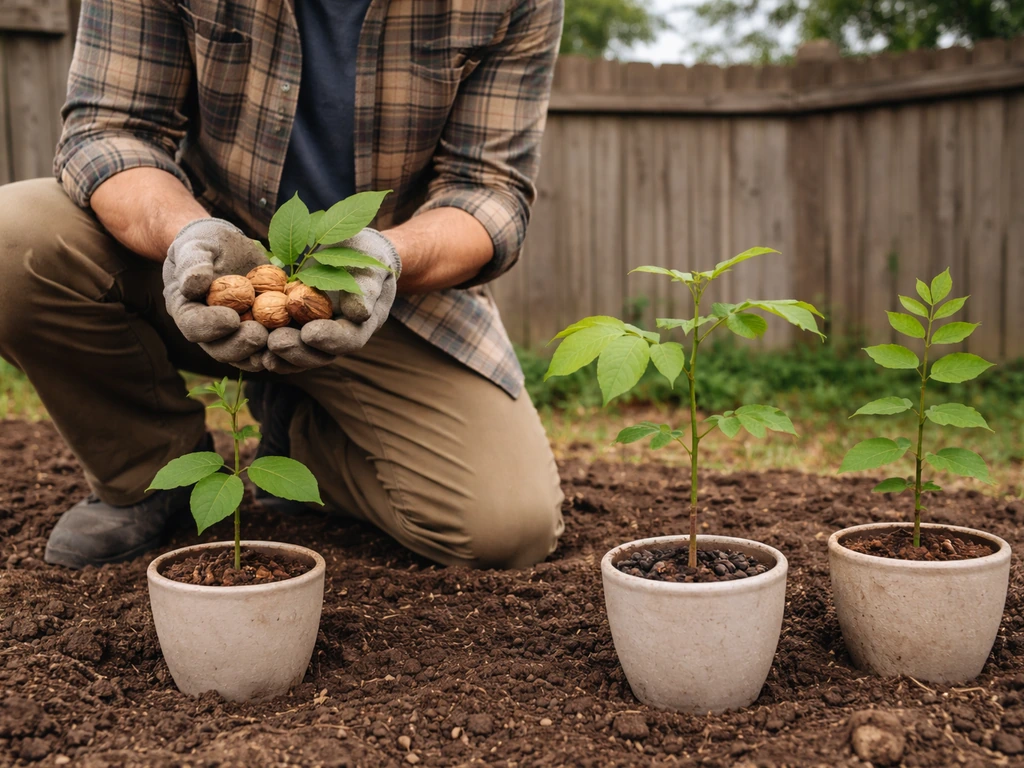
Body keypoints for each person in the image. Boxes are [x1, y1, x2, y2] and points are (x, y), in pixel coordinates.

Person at [0, 0, 565, 570]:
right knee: (12, 240)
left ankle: (293, 434)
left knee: (506, 530)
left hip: (386, 295)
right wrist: (188, 235)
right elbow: (109, 131)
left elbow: (489, 191)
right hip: (200, 251)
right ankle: (149, 472)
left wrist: (387, 258)